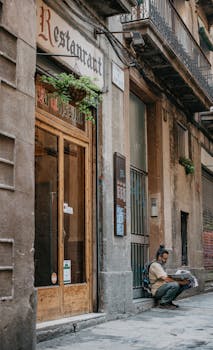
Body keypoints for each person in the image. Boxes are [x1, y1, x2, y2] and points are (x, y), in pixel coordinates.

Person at [149, 245, 190, 309]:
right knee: (175, 285)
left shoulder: (161, 265)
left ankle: (168, 301)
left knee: (184, 285)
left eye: (166, 259)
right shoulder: (155, 265)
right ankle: (163, 303)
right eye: (164, 259)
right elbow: (166, 279)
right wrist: (181, 282)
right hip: (157, 290)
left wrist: (182, 280)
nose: (165, 261)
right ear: (159, 257)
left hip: (163, 287)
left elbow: (166, 278)